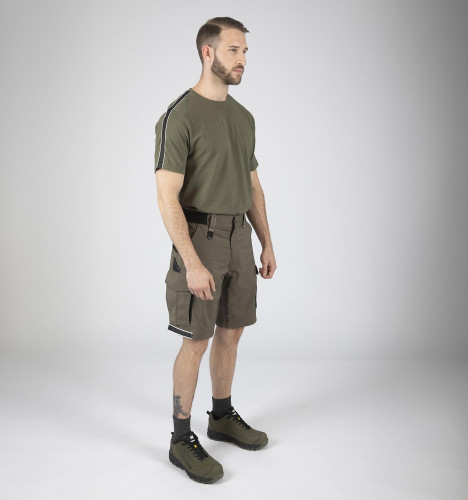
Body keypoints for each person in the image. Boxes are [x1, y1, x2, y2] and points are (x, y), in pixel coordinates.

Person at [154, 16, 276, 484]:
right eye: (233, 50)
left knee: (232, 330)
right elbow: (166, 197)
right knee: (197, 339)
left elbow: (253, 186)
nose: (242, 60)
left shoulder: (243, 118)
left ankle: (221, 416)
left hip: (239, 236)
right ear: (208, 52)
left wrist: (266, 242)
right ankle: (180, 438)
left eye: (245, 52)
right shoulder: (179, 115)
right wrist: (191, 262)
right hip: (199, 236)